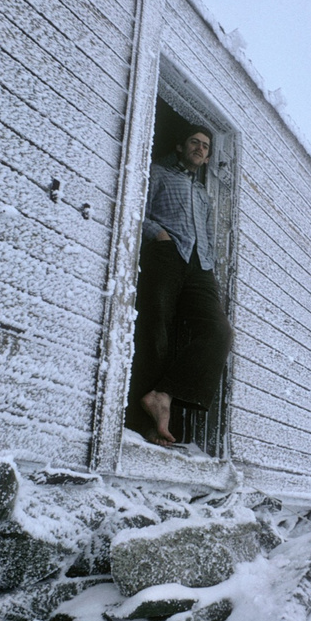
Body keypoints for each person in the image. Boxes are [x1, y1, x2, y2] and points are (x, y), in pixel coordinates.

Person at [126, 124, 233, 447]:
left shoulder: (202, 194)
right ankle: (145, 426)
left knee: (219, 331)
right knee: (156, 329)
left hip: (200, 266)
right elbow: (137, 210)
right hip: (167, 253)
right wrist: (158, 235)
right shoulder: (157, 173)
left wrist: (210, 261)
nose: (200, 148)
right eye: (195, 142)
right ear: (180, 146)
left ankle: (164, 394)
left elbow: (209, 233)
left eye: (205, 146)